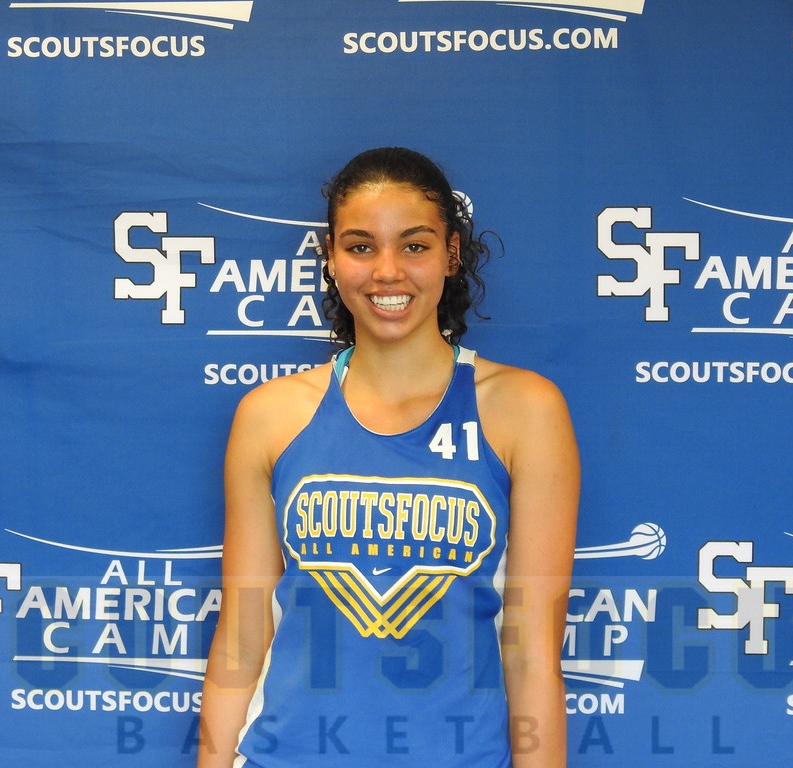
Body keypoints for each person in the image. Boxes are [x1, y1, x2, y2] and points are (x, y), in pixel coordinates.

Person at [198, 147, 579, 768]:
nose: (387, 272)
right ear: (330, 256)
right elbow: (241, 639)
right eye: (361, 246)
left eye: (414, 245)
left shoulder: (523, 410)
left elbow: (533, 652)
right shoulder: (270, 414)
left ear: (451, 254)